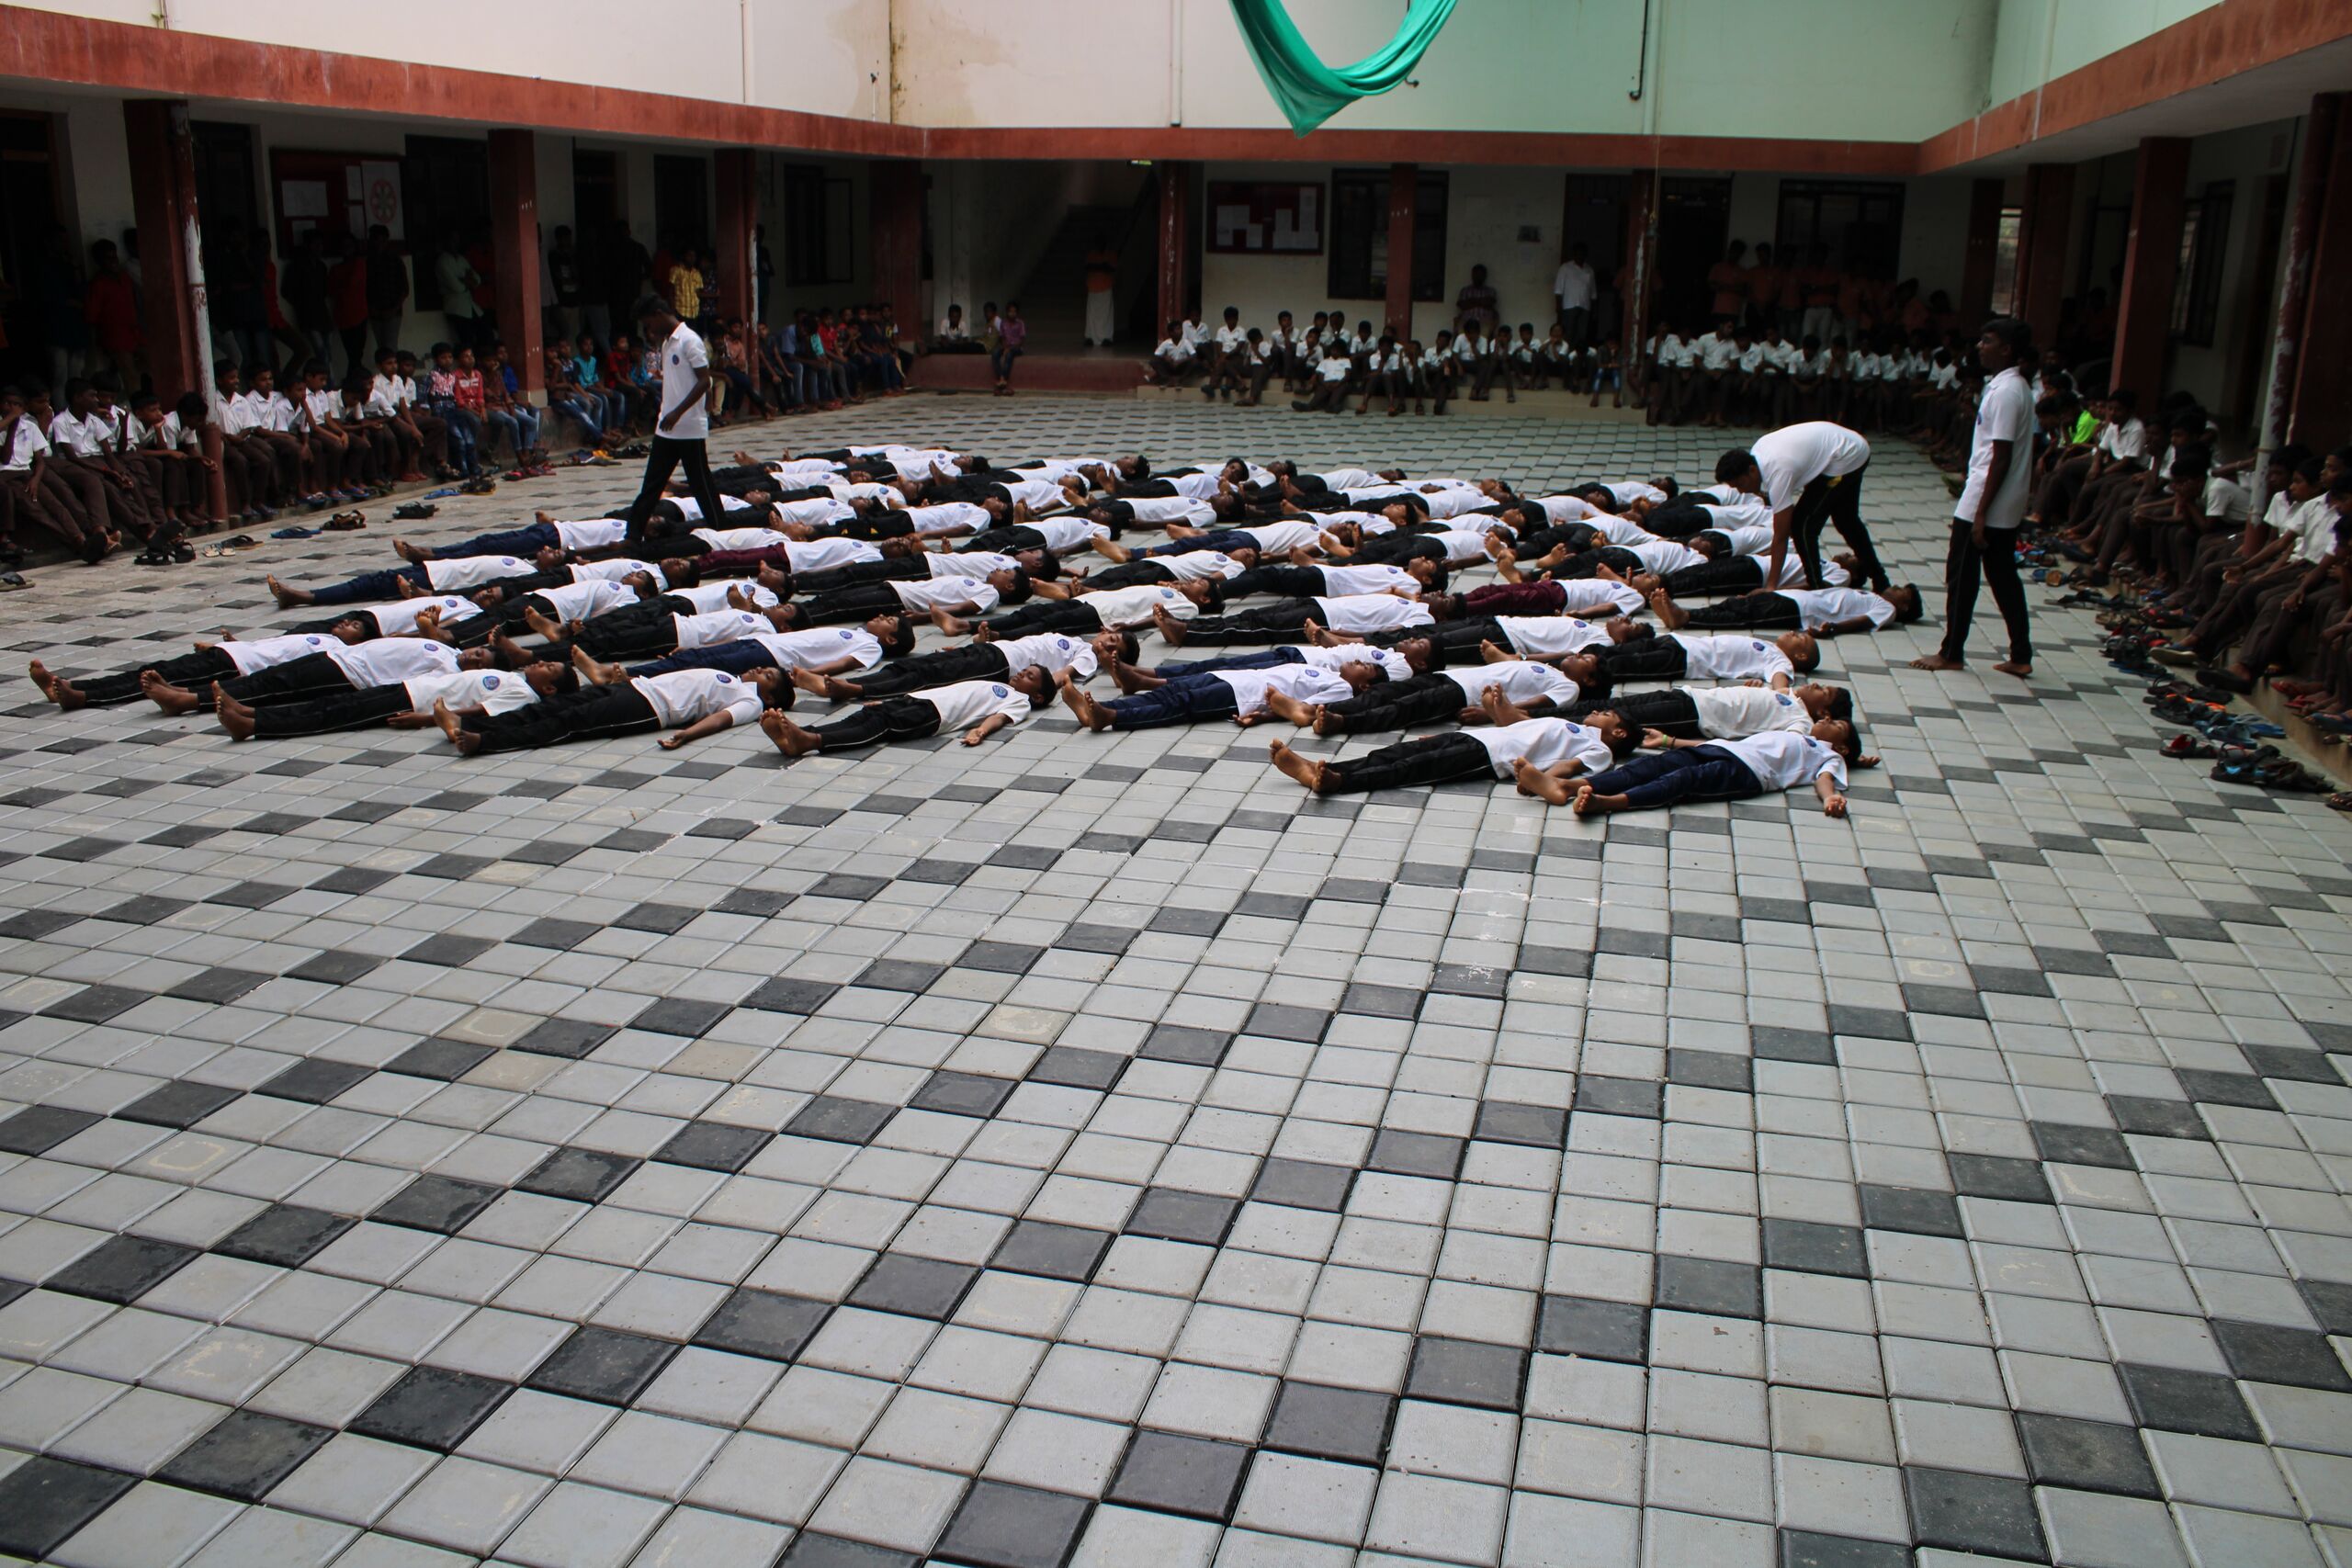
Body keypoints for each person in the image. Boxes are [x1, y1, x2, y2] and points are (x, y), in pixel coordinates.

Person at [1912, 318, 2034, 679]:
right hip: (1998, 499)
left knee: (1962, 575)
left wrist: (1980, 513)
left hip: (1987, 498)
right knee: (2002, 575)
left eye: (1988, 340)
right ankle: (2021, 653)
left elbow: (2001, 456)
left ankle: (1952, 652)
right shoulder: (2009, 386)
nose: (1980, 346)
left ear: (2007, 349)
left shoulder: (2008, 392)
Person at [1549, 721, 1859, 818]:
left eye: (1837, 725)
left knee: (1683, 781)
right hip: (1721, 748)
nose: (1827, 720)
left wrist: (1830, 797)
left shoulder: (1830, 755)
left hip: (1750, 774)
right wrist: (1671, 742)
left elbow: (1825, 779)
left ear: (1843, 748)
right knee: (1651, 765)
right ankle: (1571, 785)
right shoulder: (1798, 731)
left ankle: (1608, 802)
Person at [616, 294, 728, 546]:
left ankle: (721, 530)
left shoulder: (689, 340)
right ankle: (633, 535)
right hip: (667, 427)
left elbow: (704, 380)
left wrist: (679, 412)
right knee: (652, 484)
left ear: (658, 314)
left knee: (701, 483)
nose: (650, 330)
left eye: (649, 324)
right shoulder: (667, 343)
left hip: (688, 428)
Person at [763, 671, 1051, 755]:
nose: (1022, 674)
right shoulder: (1000, 685)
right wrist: (896, 698)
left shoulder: (1020, 701)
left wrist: (980, 731)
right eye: (1025, 670)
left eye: (1030, 677)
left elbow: (999, 717)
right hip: (918, 700)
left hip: (934, 716)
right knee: (862, 716)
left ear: (1037, 695)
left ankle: (812, 741)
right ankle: (800, 736)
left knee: (879, 726)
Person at [365, 226, 407, 362]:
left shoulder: (395, 261)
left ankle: (393, 373)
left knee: (390, 346)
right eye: (376, 240)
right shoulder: (368, 262)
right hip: (375, 310)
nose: (379, 243)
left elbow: (404, 288)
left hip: (393, 310)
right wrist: (371, 308)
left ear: (386, 241)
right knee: (382, 348)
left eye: (382, 240)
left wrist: (394, 309)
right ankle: (386, 373)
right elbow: (366, 288)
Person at [1553, 243, 1596, 346]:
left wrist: (1593, 310)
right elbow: (1558, 289)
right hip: (1569, 306)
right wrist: (1558, 306)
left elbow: (1593, 292)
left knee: (1582, 334)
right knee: (1568, 333)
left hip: (1585, 306)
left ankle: (1578, 354)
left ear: (1586, 255)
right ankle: (1566, 353)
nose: (1580, 256)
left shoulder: (1589, 270)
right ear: (1574, 254)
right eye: (1578, 254)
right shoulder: (1565, 268)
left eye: (1582, 254)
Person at [1083, 236, 1117, 347]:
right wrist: (1102, 266)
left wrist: (1098, 267)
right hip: (1093, 287)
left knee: (1106, 315)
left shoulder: (1110, 254)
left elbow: (1111, 268)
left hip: (1105, 287)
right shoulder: (1092, 255)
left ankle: (1106, 337)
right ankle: (1090, 337)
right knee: (1092, 315)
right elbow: (1088, 267)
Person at [992, 302, 1026, 396]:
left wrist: (1010, 348)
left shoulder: (1020, 323)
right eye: (1010, 311)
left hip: (1016, 348)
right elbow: (1002, 337)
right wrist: (1005, 348)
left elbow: (1021, 340)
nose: (1012, 314)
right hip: (1006, 346)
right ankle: (1000, 378)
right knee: (995, 353)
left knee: (1009, 355)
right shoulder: (1003, 323)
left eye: (1014, 312)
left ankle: (1003, 379)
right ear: (1007, 312)